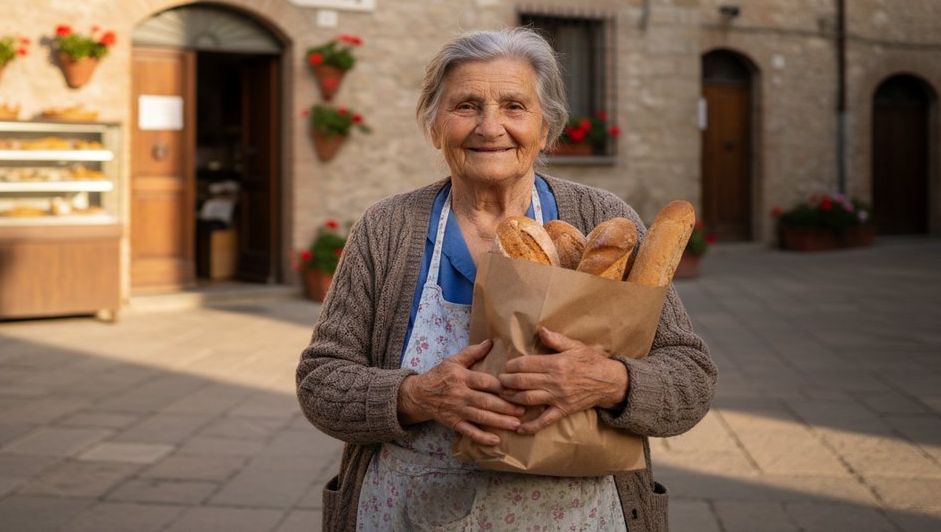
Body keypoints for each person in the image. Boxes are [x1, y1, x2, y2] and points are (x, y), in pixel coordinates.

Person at [296, 27, 716, 531]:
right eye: (466, 106)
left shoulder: (601, 218)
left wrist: (613, 382)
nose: (490, 127)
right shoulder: (388, 228)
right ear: (434, 125)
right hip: (404, 514)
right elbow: (321, 380)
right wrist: (416, 395)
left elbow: (691, 378)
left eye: (514, 107)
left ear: (547, 127)